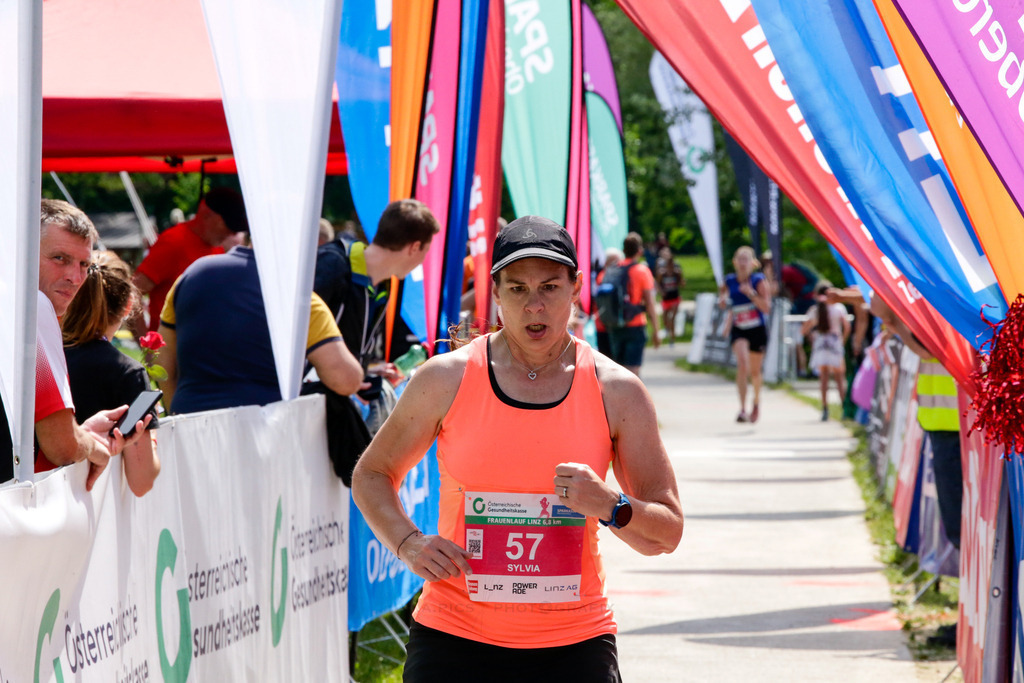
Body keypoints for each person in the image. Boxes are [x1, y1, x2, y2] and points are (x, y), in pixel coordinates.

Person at [351, 215, 683, 681]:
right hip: (455, 635)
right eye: (517, 289)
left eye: (549, 287)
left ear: (576, 287)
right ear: (495, 293)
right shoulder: (444, 378)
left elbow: (666, 533)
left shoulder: (616, 391)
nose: (534, 306)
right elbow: (371, 474)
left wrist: (611, 505)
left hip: (573, 641)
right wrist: (407, 542)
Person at [156, 235, 364, 414]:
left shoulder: (193, 274)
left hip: (189, 422)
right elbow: (344, 379)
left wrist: (177, 411)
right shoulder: (298, 299)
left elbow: (162, 360)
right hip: (264, 433)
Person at [35, 200, 149, 490]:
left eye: (84, 264)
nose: (75, 277)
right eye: (59, 258)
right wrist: (94, 448)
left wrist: (80, 434)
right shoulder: (34, 312)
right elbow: (61, 446)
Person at [62, 251, 161, 496]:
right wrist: (154, 438)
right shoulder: (127, 373)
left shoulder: (43, 358)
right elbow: (142, 481)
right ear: (128, 304)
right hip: (93, 514)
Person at [313, 199, 439, 382]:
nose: (423, 261)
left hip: (335, 397)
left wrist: (368, 374)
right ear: (415, 247)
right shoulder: (332, 263)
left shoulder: (381, 287)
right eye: (426, 251)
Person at [132, 187, 249, 333]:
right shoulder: (173, 243)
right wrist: (146, 345)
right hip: (170, 350)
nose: (232, 232)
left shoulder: (216, 248)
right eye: (228, 224)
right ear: (207, 216)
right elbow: (131, 293)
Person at [719, 246, 771, 423]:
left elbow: (766, 307)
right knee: (742, 365)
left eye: (746, 259)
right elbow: (724, 301)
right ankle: (742, 409)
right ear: (735, 262)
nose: (742, 263)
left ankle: (755, 402)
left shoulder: (759, 280)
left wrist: (751, 294)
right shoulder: (729, 281)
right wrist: (724, 302)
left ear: (752, 263)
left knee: (755, 372)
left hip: (757, 328)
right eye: (739, 259)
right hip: (739, 328)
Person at [607, 232, 660, 376]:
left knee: (617, 370)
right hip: (635, 325)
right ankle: (633, 398)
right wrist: (656, 330)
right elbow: (649, 303)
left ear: (623, 250)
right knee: (633, 370)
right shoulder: (642, 271)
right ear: (640, 251)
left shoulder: (613, 269)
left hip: (615, 324)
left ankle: (617, 398)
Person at [801, 282, 850, 421]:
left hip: (821, 344)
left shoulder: (815, 310)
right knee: (840, 378)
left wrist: (812, 338)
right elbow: (847, 327)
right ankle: (844, 409)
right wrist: (842, 341)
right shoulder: (839, 308)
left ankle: (824, 409)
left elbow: (804, 329)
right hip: (835, 343)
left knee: (824, 379)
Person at [593, 248, 623, 357]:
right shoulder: (618, 276)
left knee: (605, 358)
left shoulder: (601, 276)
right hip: (617, 324)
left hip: (601, 322)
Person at [655, 246, 685, 346]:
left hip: (675, 297)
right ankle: (668, 330)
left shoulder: (677, 272)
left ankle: (672, 338)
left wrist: (681, 279)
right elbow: (657, 284)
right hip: (666, 298)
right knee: (665, 317)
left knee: (672, 318)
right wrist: (661, 291)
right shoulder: (661, 273)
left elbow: (682, 284)